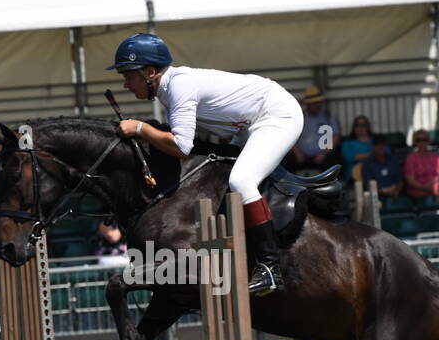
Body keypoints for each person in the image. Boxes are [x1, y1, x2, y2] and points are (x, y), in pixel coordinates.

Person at [109, 32, 303, 295]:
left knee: (241, 180)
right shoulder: (169, 90)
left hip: (276, 115)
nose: (126, 85)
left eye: (128, 76)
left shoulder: (178, 87)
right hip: (249, 123)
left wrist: (141, 128)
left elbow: (180, 147)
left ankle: (269, 267)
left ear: (150, 72)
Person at [286, 85, 342, 177]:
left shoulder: (328, 118)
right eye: (314, 103)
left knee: (333, 162)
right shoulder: (300, 118)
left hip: (323, 156)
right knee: (286, 162)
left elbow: (335, 138)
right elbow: (290, 136)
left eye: (318, 102)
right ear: (308, 104)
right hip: (301, 156)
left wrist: (323, 154)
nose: (317, 105)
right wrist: (297, 153)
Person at [402, 130, 439, 199]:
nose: (422, 142)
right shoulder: (411, 158)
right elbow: (410, 180)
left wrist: (436, 184)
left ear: (429, 141)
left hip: (437, 193)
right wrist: (425, 187)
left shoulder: (436, 157)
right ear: (415, 142)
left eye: (425, 139)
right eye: (419, 140)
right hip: (419, 196)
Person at [360, 135, 404, 200]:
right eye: (377, 145)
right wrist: (382, 192)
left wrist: (396, 190)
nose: (380, 147)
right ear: (373, 146)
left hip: (396, 194)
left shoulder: (393, 160)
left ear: (386, 146)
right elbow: (368, 184)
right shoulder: (367, 163)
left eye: (382, 144)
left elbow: (400, 180)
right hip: (376, 197)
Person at [340, 115, 375, 180]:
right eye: (357, 125)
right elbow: (349, 158)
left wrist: (358, 156)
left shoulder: (375, 140)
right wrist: (371, 154)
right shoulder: (347, 143)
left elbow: (386, 153)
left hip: (375, 173)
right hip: (353, 175)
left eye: (363, 125)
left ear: (368, 127)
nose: (360, 127)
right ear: (354, 128)